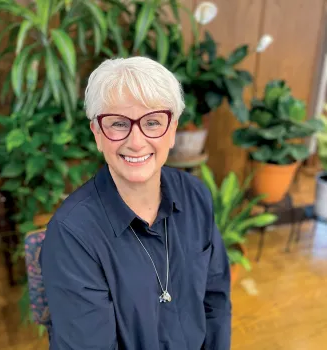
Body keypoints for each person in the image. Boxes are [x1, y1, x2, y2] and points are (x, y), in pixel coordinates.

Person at [40, 56, 232, 350]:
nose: (136, 141)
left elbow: (216, 302)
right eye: (118, 124)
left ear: (172, 131)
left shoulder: (195, 195)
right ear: (98, 135)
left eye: (152, 122)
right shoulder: (72, 235)